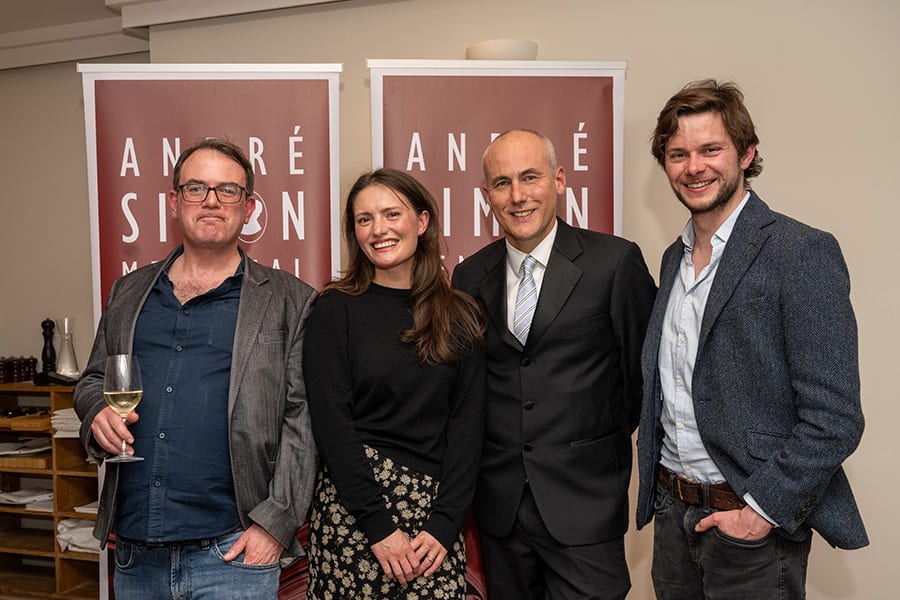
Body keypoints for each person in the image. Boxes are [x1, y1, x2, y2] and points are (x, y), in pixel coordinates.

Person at [636, 79, 869, 598]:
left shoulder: (800, 251)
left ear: (746, 153)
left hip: (750, 526)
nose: (693, 167)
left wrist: (760, 513)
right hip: (673, 515)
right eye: (678, 154)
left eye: (710, 149)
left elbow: (835, 418)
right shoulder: (673, 260)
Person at [73, 138, 318, 599]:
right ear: (174, 202)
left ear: (248, 207)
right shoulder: (128, 291)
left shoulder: (290, 300)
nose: (211, 201)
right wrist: (96, 413)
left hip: (235, 553)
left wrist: (275, 524)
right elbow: (93, 380)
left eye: (227, 190)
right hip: (136, 553)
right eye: (196, 188)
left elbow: (302, 420)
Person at [451, 129, 657, 600]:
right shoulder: (468, 275)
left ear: (559, 179)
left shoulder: (614, 263)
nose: (517, 196)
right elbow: (471, 389)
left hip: (585, 505)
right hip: (500, 512)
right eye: (501, 183)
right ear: (487, 195)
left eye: (530, 177)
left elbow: (643, 382)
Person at [302, 168, 486, 599]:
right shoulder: (334, 310)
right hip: (353, 516)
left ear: (421, 222)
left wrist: (445, 524)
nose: (378, 229)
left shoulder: (460, 315)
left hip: (434, 529)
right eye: (364, 219)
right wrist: (378, 525)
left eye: (391, 214)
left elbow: (468, 427)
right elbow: (332, 427)